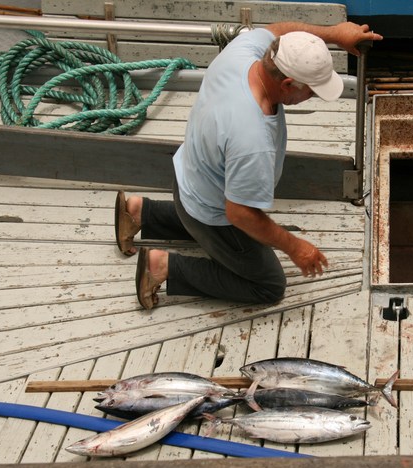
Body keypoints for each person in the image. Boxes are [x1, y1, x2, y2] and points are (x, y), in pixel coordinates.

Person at [114, 22, 382, 309]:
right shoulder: (253, 138)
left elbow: (278, 29)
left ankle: (141, 211)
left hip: (186, 180)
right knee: (268, 285)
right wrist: (295, 247)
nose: (313, 97)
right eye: (312, 92)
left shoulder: (244, 51)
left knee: (209, 210)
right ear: (288, 84)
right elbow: (240, 213)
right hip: (209, 212)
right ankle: (163, 266)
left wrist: (335, 34)